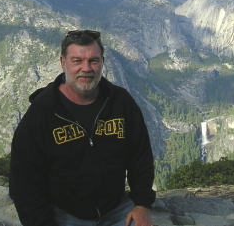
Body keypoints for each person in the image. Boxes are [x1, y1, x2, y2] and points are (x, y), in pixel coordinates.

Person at [9, 29, 155, 226]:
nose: (86, 68)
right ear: (63, 63)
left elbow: (141, 157)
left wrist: (142, 204)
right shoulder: (42, 113)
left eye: (93, 61)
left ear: (102, 61)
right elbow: (24, 180)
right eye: (77, 61)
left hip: (117, 209)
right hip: (65, 214)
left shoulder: (121, 102)